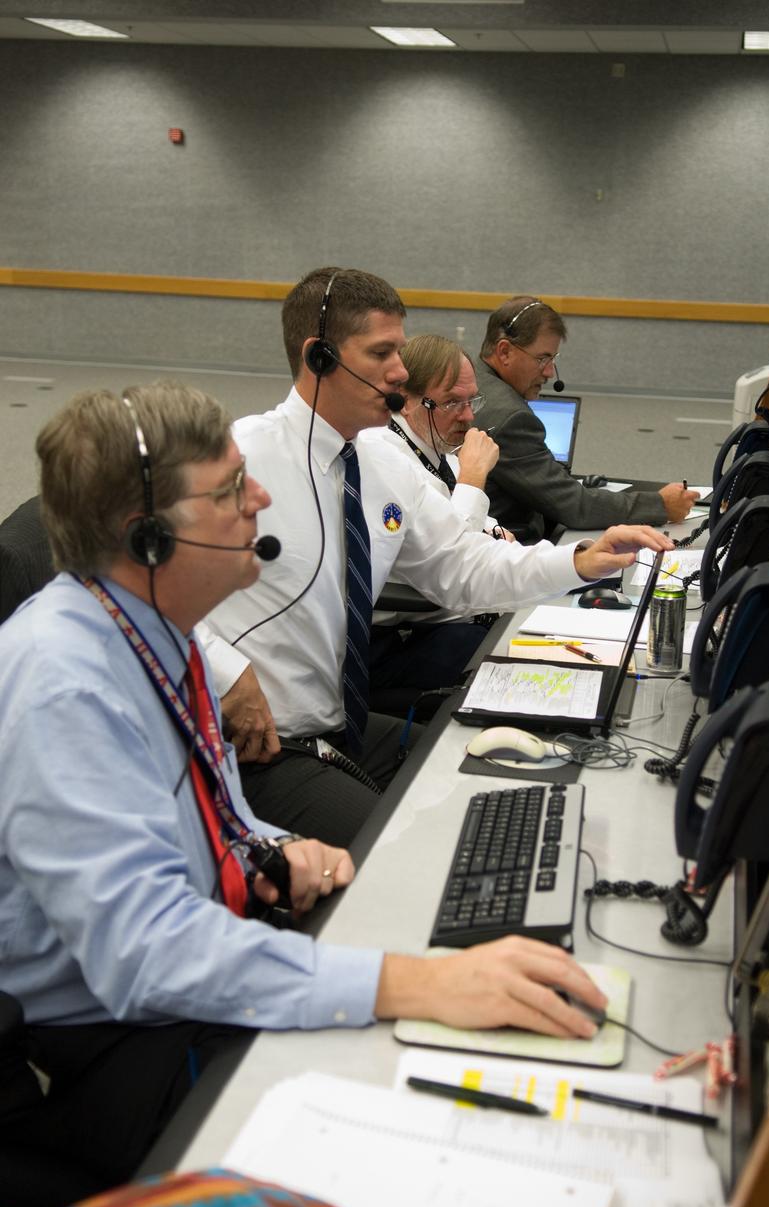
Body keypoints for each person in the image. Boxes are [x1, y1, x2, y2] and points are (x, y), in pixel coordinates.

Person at [0, 380, 615, 1207]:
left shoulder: (150, 633)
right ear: (147, 540)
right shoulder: (63, 685)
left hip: (175, 979)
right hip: (102, 1050)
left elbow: (210, 807)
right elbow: (147, 955)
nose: (258, 494)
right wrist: (412, 985)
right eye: (226, 491)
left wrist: (267, 844)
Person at [202, 267, 676, 846]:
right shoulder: (235, 457)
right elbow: (122, 587)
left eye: (400, 351)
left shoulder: (380, 462)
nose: (401, 371)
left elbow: (462, 568)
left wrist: (577, 561)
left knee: (481, 780)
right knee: (404, 852)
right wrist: (224, 672)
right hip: (263, 747)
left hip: (338, 726)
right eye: (382, 353)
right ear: (319, 357)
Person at [475, 296, 700, 543]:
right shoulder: (511, 418)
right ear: (504, 351)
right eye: (542, 359)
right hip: (508, 550)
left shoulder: (473, 380)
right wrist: (660, 505)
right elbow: (575, 507)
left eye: (553, 360)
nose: (550, 372)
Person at [366, 333, 508, 712]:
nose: (468, 415)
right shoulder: (387, 458)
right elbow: (452, 559)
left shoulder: (431, 442)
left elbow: (464, 518)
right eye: (451, 402)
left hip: (437, 615)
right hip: (393, 638)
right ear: (406, 399)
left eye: (470, 399)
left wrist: (494, 531)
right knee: (503, 656)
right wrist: (474, 478)